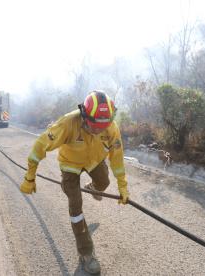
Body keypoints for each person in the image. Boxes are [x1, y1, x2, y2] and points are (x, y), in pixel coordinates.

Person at [20, 91, 129, 274]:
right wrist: (30, 176)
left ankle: (93, 188)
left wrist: (123, 186)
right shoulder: (68, 123)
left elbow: (117, 158)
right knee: (75, 203)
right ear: (84, 115)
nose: (98, 131)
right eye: (94, 127)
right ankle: (86, 253)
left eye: (102, 127)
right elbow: (40, 146)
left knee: (103, 184)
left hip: (94, 160)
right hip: (70, 163)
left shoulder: (110, 126)